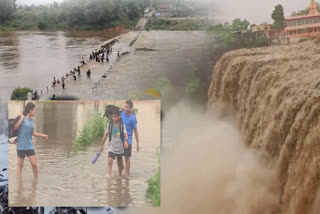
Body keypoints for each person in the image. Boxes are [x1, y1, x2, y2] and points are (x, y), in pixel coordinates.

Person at [14, 102, 48, 179]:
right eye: (34, 110)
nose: (35, 111)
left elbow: (32, 132)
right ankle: (19, 182)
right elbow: (15, 127)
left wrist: (42, 135)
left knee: (34, 164)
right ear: (30, 110)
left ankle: (36, 179)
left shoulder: (32, 121)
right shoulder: (21, 118)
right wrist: (21, 118)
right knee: (20, 165)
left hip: (29, 145)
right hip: (21, 146)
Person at [100, 108, 128, 177]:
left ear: (119, 117)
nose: (114, 119)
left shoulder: (122, 125)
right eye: (113, 117)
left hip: (119, 147)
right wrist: (101, 145)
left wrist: (126, 141)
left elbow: (126, 134)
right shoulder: (110, 125)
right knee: (110, 161)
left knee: (120, 164)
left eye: (115, 117)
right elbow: (105, 135)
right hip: (111, 146)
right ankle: (108, 176)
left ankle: (121, 176)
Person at [120, 100, 139, 175]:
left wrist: (137, 144)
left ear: (130, 108)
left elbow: (135, 131)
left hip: (129, 140)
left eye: (126, 107)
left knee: (127, 157)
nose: (125, 108)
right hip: (120, 137)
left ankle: (127, 174)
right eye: (124, 106)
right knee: (119, 156)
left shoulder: (133, 118)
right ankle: (120, 173)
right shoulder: (121, 112)